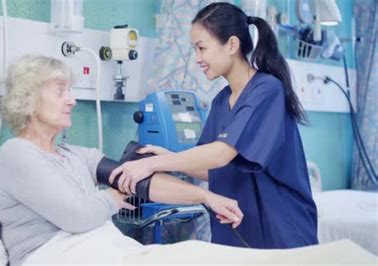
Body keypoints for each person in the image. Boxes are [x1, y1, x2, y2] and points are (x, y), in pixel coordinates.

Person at [0, 54, 243, 265]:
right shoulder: (16, 154)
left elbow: (140, 181)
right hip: (53, 255)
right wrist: (112, 197)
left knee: (196, 255)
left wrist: (206, 197)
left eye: (70, 91)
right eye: (60, 92)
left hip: (99, 249)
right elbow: (77, 216)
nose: (72, 100)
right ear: (29, 101)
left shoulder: (75, 155)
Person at [109, 2, 318, 249]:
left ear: (231, 45)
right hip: (240, 229)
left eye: (202, 48)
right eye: (194, 49)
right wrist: (172, 157)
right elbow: (215, 170)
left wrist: (151, 164)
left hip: (281, 228)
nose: (197, 58)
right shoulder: (222, 101)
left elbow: (220, 154)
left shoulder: (267, 90)